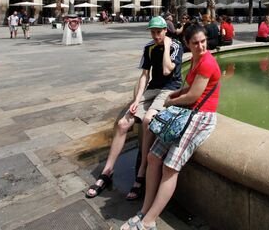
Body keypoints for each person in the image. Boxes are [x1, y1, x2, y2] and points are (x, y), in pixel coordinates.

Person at [121, 24, 221, 230]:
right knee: (152, 157)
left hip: (200, 117)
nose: (201, 46)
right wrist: (176, 93)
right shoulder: (196, 58)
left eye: (203, 42)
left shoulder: (207, 62)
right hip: (186, 113)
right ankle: (144, 210)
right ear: (187, 44)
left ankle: (149, 222)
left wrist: (170, 102)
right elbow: (191, 88)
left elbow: (194, 96)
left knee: (170, 166)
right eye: (195, 43)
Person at [86, 16, 183, 200]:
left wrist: (167, 46)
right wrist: (137, 100)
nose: (155, 36)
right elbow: (145, 76)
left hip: (170, 89)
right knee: (123, 123)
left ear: (165, 30)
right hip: (153, 89)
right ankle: (107, 171)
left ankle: (141, 172)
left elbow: (166, 70)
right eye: (153, 32)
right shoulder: (148, 48)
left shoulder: (176, 46)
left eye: (159, 32)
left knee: (147, 121)